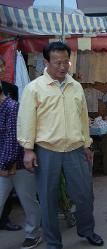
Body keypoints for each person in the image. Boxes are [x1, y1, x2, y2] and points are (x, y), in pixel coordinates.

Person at [17, 42, 103, 249]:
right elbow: (27, 119)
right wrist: (28, 150)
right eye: (57, 63)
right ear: (46, 62)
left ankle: (87, 230)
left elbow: (83, 118)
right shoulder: (34, 88)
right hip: (47, 150)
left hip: (75, 149)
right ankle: (54, 242)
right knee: (48, 200)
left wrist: (86, 144)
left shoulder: (75, 87)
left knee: (84, 195)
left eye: (66, 62)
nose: (63, 67)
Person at [0, 73, 42, 249]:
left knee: (29, 201)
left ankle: (33, 233)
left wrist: (4, 164)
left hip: (19, 165)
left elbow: (13, 140)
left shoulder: (12, 107)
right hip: (3, 165)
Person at [0, 56, 22, 232]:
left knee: (5, 183)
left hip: (5, 143)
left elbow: (14, 123)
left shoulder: (11, 89)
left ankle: (5, 218)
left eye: (1, 66)